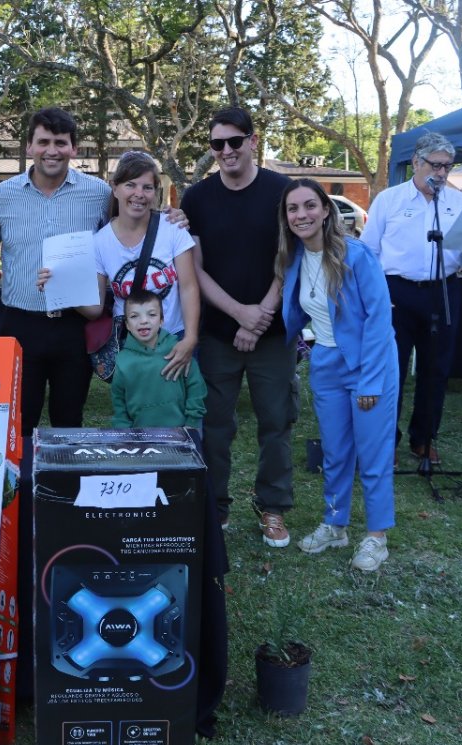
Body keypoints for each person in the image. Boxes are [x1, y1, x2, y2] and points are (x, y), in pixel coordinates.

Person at [179, 106, 294, 547]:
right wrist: (238, 314)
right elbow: (196, 269)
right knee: (214, 425)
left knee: (276, 423)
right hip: (217, 333)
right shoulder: (197, 198)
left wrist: (259, 314)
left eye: (234, 141)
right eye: (217, 143)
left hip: (274, 333)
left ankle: (273, 507)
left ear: (252, 141)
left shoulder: (281, 191)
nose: (226, 150)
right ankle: (215, 507)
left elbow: (289, 259)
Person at [277, 179, 397, 572]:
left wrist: (370, 380)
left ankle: (377, 537)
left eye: (310, 205)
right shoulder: (293, 257)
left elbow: (379, 320)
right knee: (335, 451)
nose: (302, 215)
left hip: (369, 363)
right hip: (326, 362)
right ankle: (335, 524)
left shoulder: (356, 255)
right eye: (293, 208)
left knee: (373, 453)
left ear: (326, 210)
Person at [361, 131, 462, 467]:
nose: (442, 173)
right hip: (396, 292)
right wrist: (374, 296)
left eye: (448, 166)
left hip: (443, 290)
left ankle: (424, 439)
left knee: (436, 368)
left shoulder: (458, 202)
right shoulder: (389, 200)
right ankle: (386, 441)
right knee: (392, 369)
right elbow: (368, 252)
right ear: (416, 162)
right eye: (436, 165)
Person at [0, 107, 112, 435]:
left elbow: (122, 236)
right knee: (18, 424)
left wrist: (172, 219)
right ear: (29, 146)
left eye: (60, 142)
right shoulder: (0, 196)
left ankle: (65, 471)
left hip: (74, 325)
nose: (51, 151)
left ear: (74, 148)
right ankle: (21, 472)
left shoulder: (99, 194)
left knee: (69, 422)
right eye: (43, 142)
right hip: (20, 323)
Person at [94, 151, 200, 380]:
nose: (139, 194)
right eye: (130, 185)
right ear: (115, 188)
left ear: (155, 192)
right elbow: (95, 307)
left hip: (175, 337)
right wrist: (60, 287)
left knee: (181, 400)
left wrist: (190, 338)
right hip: (131, 344)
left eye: (147, 187)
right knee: (136, 402)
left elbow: (189, 287)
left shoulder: (173, 228)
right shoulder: (100, 242)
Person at [110, 287, 206, 428]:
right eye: (134, 316)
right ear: (127, 325)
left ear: (161, 320)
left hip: (182, 431)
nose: (143, 321)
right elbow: (119, 403)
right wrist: (124, 432)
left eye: (151, 314)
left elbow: (195, 388)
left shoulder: (178, 351)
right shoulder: (122, 361)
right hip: (139, 435)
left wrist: (192, 423)